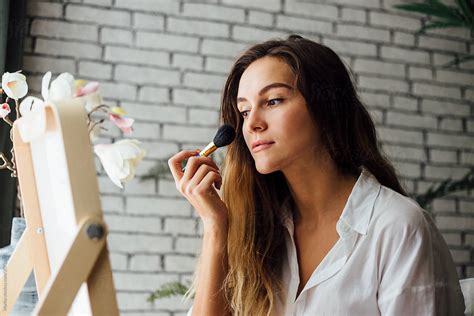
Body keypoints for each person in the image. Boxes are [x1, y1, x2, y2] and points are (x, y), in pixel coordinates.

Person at [168, 34, 465, 315]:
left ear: (325, 107)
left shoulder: (398, 227)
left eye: (273, 101)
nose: (252, 124)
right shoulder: (256, 231)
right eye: (244, 111)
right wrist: (216, 227)